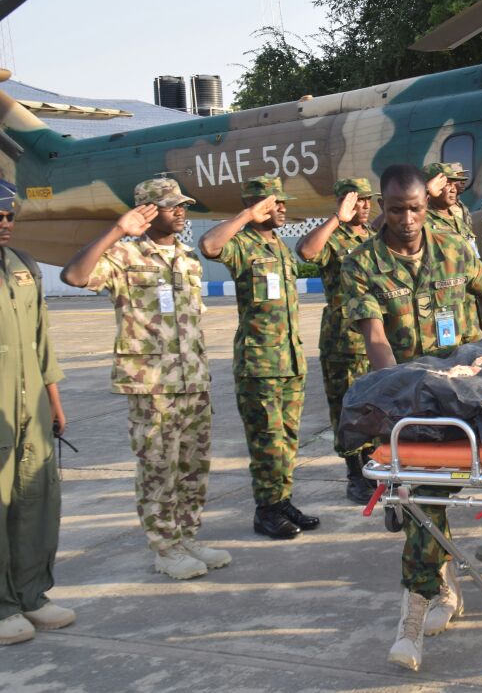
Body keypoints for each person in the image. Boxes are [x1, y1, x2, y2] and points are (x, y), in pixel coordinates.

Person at [341, 164, 482, 671]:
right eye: (397, 209)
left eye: (416, 207)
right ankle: (414, 617)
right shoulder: (362, 264)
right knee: (423, 499)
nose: (408, 219)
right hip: (413, 398)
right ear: (383, 206)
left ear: (425, 203)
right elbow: (375, 334)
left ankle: (438, 594)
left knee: (428, 499)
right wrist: (402, 399)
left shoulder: (455, 247)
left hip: (466, 390)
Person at [60, 178, 230, 581]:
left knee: (193, 467)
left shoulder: (188, 259)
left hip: (193, 381)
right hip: (151, 385)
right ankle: (165, 548)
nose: (179, 212)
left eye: (181, 205)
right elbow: (75, 276)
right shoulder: (124, 255)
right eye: (170, 206)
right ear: (148, 211)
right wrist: (119, 229)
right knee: (158, 469)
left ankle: (188, 537)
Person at [199, 175, 319, 539]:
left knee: (287, 439)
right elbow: (208, 245)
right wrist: (246, 215)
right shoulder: (242, 244)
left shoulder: (279, 247)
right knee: (266, 441)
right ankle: (265, 510)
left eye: (282, 203)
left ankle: (282, 501)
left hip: (291, 360)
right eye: (273, 203)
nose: (281, 208)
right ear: (255, 206)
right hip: (260, 364)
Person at [0, 180, 74, 645]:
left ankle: (31, 595)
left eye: (9, 215)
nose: (5, 223)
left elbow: (41, 340)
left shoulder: (22, 265)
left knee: (35, 499)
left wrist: (54, 400)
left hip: (31, 405)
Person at [295, 177, 376, 504]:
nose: (365, 206)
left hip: (375, 337)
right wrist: (336, 219)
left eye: (368, 200)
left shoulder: (373, 237)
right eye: (358, 200)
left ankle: (375, 469)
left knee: (375, 407)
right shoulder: (333, 236)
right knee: (346, 408)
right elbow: (305, 251)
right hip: (342, 339)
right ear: (343, 203)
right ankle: (355, 474)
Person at [424, 163, 478, 255]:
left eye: (454, 184)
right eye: (447, 184)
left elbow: (475, 258)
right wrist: (426, 190)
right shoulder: (422, 221)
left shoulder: (459, 222)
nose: (453, 190)